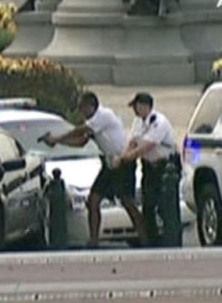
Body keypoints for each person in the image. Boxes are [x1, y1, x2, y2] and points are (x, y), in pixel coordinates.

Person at [38, 91, 147, 247]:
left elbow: (80, 130)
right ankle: (94, 241)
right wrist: (59, 142)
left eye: (82, 108)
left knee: (127, 201)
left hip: (122, 162)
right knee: (93, 200)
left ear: (91, 106)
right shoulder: (95, 123)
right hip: (109, 164)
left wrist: (56, 138)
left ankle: (144, 238)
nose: (81, 112)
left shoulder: (103, 115)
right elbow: (81, 141)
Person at [112, 92, 180, 245]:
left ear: (145, 106)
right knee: (148, 205)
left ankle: (172, 239)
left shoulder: (159, 122)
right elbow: (133, 143)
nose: (135, 110)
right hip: (149, 168)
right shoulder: (138, 122)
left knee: (165, 205)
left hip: (165, 167)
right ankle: (152, 241)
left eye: (136, 106)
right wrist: (122, 156)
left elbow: (146, 146)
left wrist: (125, 158)